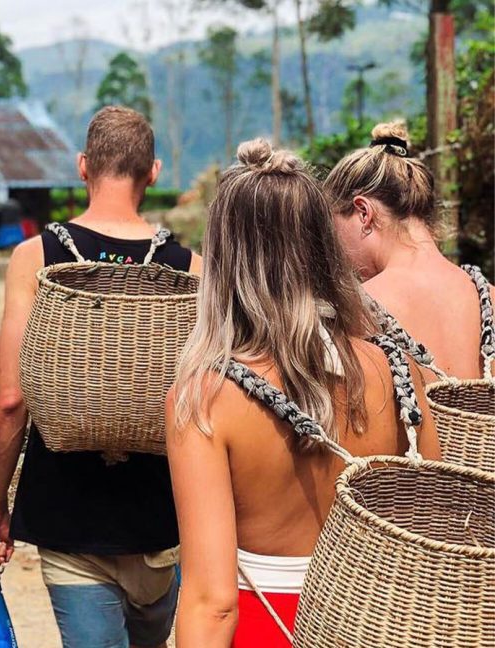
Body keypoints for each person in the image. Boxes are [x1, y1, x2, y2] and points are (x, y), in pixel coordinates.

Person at [166, 139, 441, 648]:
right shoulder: (398, 369)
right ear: (321, 245)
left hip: (268, 627)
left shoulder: (207, 395)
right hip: (381, 625)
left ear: (226, 258)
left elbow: (213, 601)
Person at [0, 106, 201, 648]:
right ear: (154, 172)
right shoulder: (191, 267)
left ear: (82, 167)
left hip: (69, 514)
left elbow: (10, 399)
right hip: (164, 518)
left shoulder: (36, 258)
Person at [324, 120, 494, 380]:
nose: (337, 250)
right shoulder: (489, 297)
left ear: (363, 212)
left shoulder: (355, 311)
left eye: (335, 231)